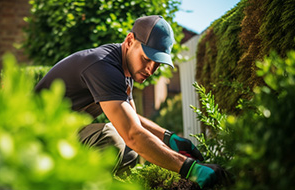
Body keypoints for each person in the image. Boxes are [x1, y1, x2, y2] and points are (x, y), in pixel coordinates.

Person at [35, 15, 227, 189]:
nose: (151, 70)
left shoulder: (123, 71)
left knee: (129, 151)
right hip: (34, 139)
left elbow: (132, 118)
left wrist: (169, 138)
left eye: (157, 64)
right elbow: (133, 134)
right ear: (129, 40)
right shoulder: (103, 67)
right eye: (146, 58)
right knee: (113, 137)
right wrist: (190, 168)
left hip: (58, 136)